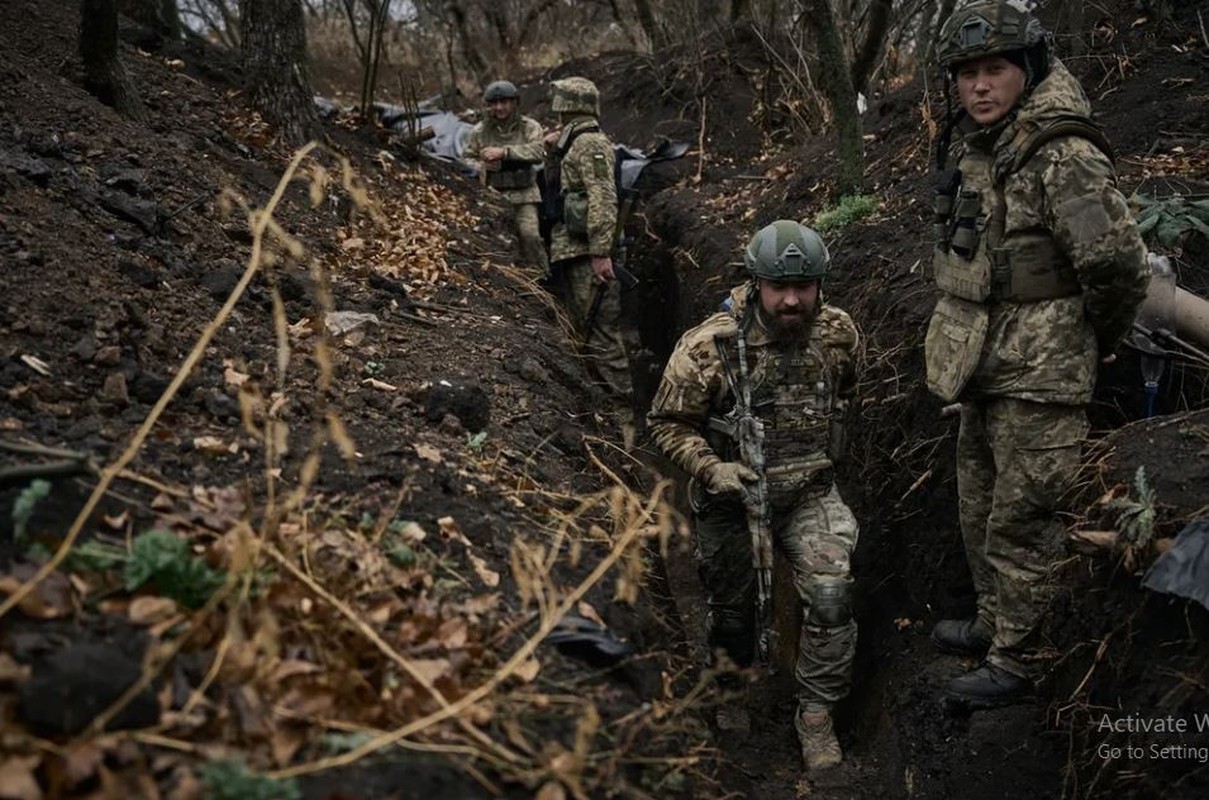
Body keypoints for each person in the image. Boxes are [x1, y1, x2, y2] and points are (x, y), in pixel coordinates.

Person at [925, 0, 1148, 709]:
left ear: (1026, 69)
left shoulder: (1063, 152)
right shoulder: (980, 146)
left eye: (993, 70)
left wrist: (1097, 342)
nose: (978, 86)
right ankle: (995, 625)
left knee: (1024, 519)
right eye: (966, 73)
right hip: (983, 365)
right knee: (978, 506)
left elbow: (1114, 264)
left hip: (1043, 371)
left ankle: (1022, 659)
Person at [647, 221, 861, 770]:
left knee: (833, 597)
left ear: (821, 285)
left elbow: (847, 394)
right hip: (733, 499)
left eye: (804, 288)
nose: (792, 301)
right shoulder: (708, 346)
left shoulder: (838, 333)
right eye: (778, 288)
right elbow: (666, 423)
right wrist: (712, 468)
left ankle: (815, 715)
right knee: (733, 613)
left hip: (810, 492)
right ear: (756, 282)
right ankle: (730, 686)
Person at [544, 76, 635, 440]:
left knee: (604, 337)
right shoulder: (573, 143)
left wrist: (600, 253)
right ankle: (601, 410)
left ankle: (625, 419)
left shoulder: (591, 143)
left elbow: (603, 197)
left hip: (589, 256)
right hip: (574, 252)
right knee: (584, 332)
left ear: (567, 105)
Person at [464, 80, 548, 279]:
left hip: (524, 194)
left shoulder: (529, 127)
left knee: (530, 237)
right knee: (498, 243)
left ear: (515, 103)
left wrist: (505, 153)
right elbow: (466, 159)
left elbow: (538, 151)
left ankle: (540, 278)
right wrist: (482, 166)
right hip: (492, 196)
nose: (499, 107)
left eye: (504, 102)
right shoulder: (480, 131)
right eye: (494, 103)